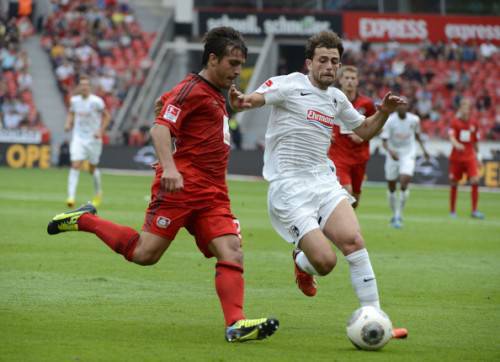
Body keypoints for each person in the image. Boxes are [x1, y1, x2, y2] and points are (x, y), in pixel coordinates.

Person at [47, 26, 279, 343]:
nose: (238, 71)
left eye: (241, 65)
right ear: (213, 59)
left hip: (213, 193)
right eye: (233, 64)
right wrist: (169, 167)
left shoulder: (213, 93)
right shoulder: (191, 88)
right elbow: (160, 129)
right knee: (145, 254)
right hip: (180, 188)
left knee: (232, 250)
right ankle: (85, 220)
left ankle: (236, 324)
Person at [230, 31, 407, 338]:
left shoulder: (337, 99)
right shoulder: (289, 84)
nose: (329, 66)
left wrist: (385, 112)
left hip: (323, 181)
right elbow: (256, 98)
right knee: (325, 263)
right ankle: (302, 261)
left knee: (354, 242)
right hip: (289, 187)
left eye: (335, 61)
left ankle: (377, 317)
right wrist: (244, 101)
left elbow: (364, 130)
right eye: (323, 60)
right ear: (309, 63)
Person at [327, 65, 376, 208]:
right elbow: (318, 117)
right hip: (338, 154)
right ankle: (337, 228)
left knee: (355, 198)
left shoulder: (366, 104)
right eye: (346, 78)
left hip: (359, 155)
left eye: (353, 78)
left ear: (357, 81)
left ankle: (346, 226)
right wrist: (325, 131)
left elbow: (376, 126)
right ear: (340, 80)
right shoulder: (330, 99)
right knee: (345, 191)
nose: (349, 81)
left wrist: (364, 136)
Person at [381, 102, 429, 228]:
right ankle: (394, 213)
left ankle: (398, 214)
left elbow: (417, 135)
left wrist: (424, 150)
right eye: (399, 105)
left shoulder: (414, 120)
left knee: (404, 181)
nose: (402, 107)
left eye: (404, 105)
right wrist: (391, 152)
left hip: (408, 153)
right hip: (393, 154)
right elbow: (384, 141)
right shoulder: (390, 121)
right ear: (396, 107)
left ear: (408, 107)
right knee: (391, 187)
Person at [64, 75, 110, 208]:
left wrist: (100, 131)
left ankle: (98, 193)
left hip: (93, 139)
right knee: (75, 164)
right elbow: (71, 113)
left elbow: (107, 116)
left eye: (86, 85)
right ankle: (71, 197)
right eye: (82, 84)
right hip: (78, 138)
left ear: (90, 87)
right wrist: (68, 123)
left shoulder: (97, 101)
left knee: (92, 168)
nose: (84, 87)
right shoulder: (74, 101)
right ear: (79, 87)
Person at [448, 98, 484, 219]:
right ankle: (452, 211)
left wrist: (479, 156)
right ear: (460, 108)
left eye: (467, 107)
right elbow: (451, 136)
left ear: (469, 109)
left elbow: (476, 142)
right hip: (456, 158)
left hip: (469, 157)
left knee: (475, 180)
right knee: (454, 183)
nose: (465, 109)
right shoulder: (454, 122)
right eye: (463, 106)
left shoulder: (474, 123)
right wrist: (456, 144)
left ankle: (474, 210)